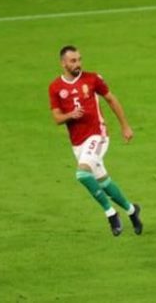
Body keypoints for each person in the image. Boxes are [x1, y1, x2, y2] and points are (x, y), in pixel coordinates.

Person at [48, 45, 142, 236]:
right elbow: (57, 118)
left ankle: (111, 214)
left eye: (79, 59)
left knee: (82, 174)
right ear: (63, 63)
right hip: (78, 143)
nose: (78, 64)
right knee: (103, 182)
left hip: (97, 135)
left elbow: (111, 99)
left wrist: (125, 126)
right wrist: (70, 115)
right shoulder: (55, 87)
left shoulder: (92, 79)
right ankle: (132, 210)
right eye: (73, 61)